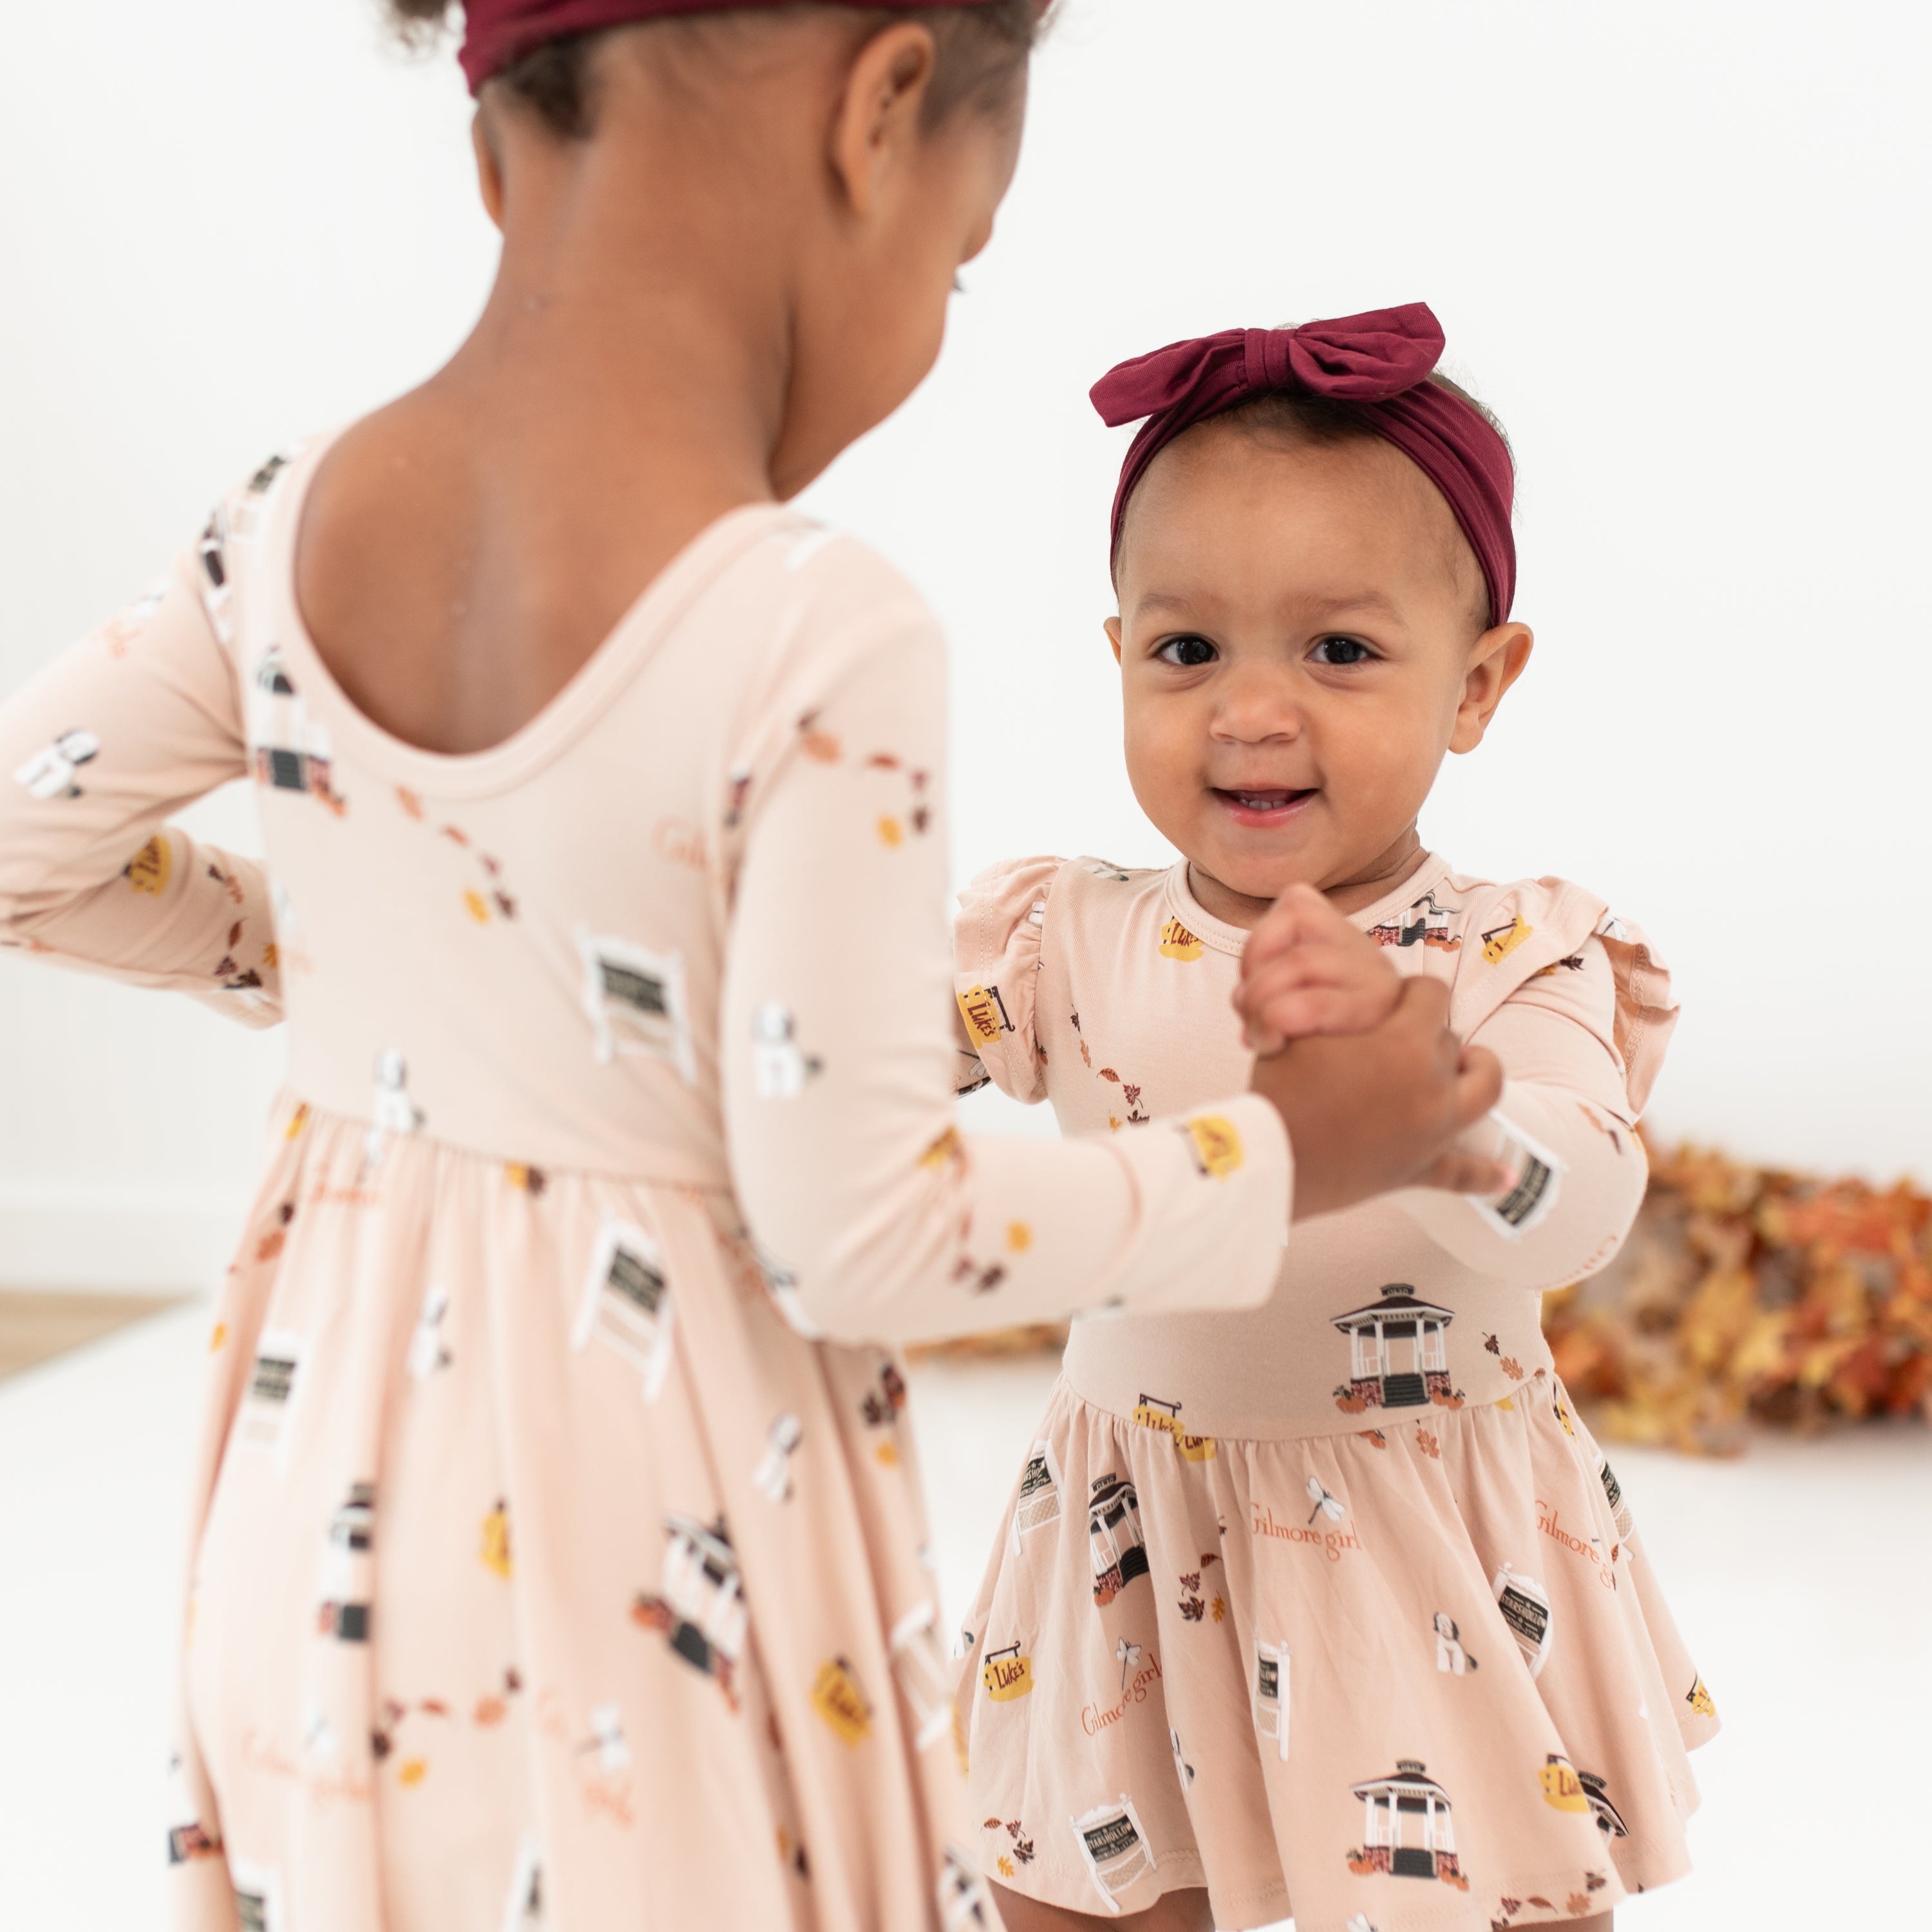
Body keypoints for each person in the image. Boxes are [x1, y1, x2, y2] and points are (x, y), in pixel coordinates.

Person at [0, 11, 1502, 1928]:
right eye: (961, 261)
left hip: (323, 1499)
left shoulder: (281, 526)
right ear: (881, 117)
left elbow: (20, 856)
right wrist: (1280, 1151)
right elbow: (867, 1231)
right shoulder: (814, 630)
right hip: (654, 1534)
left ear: (497, 154)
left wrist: (449, 968)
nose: (941, 308)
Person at [952, 305, 1718, 1932]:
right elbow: (830, 1064)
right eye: (1187, 649)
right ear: (1117, 660)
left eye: (1342, 650)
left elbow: (1583, 1203)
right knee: (1081, 1902)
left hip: (1430, 1537)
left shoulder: (1516, 953)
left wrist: (1447, 1115)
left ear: (1479, 685)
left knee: (1504, 1897)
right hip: (1136, 1535)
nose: (1251, 709)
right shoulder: (1063, 939)